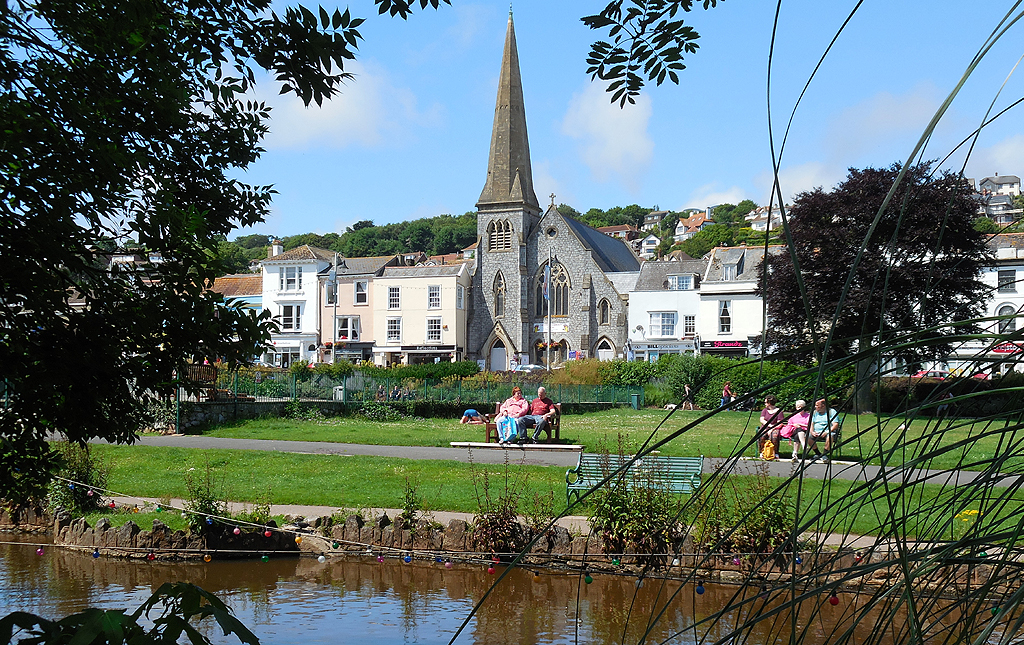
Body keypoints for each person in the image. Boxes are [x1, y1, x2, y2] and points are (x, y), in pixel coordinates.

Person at [808, 398, 842, 463]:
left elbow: (835, 425)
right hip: (816, 432)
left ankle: (824, 454)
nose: (815, 407)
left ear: (823, 405)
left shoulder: (832, 412)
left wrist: (826, 432)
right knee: (808, 437)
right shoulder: (814, 413)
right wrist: (812, 432)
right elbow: (811, 424)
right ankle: (818, 454)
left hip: (828, 432)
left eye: (817, 405)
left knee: (830, 436)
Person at [757, 395, 784, 459]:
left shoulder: (779, 411)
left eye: (765, 402)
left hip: (775, 428)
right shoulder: (764, 410)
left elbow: (779, 423)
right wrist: (770, 426)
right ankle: (762, 452)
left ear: (769, 403)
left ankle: (775, 452)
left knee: (774, 436)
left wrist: (772, 428)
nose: (765, 404)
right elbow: (762, 420)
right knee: (762, 435)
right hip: (766, 427)